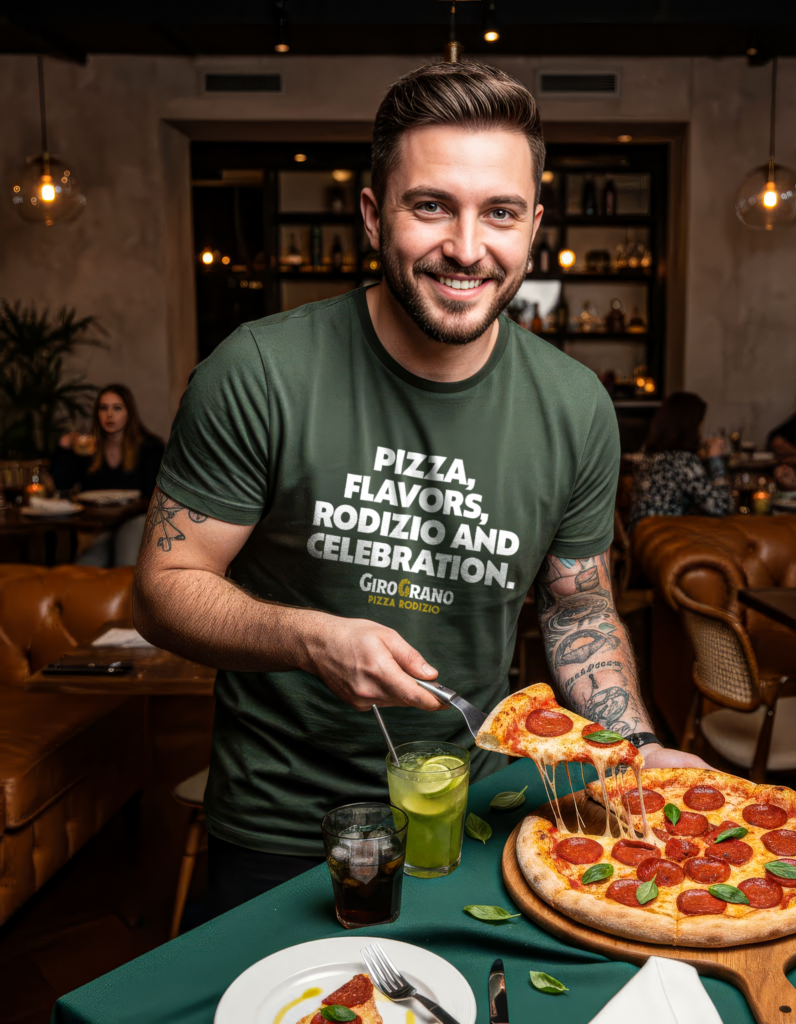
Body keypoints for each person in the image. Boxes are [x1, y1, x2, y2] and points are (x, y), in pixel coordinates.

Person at [133, 60, 707, 915]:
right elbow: (163, 589)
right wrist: (309, 637)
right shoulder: (258, 371)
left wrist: (635, 749)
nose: (467, 248)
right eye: (432, 206)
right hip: (283, 825)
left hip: (473, 811)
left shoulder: (576, 405)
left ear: (534, 226)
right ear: (374, 214)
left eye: (500, 212)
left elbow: (578, 608)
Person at [51, 383, 165, 566]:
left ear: (129, 414)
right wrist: (65, 447)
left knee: (124, 555)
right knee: (84, 568)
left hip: (136, 521)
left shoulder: (150, 448)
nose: (109, 415)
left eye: (117, 408)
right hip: (98, 526)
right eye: (103, 408)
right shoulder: (88, 448)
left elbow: (155, 496)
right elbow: (62, 485)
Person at [628, 392, 733, 529]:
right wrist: (715, 460)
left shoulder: (647, 456)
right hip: (664, 536)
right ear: (691, 425)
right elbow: (722, 507)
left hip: (639, 534)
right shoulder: (683, 461)